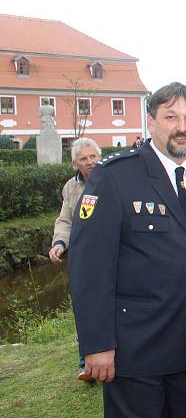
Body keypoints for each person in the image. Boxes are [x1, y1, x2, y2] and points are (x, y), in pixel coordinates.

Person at [67, 82, 186, 417]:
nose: (181, 127)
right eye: (171, 117)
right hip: (136, 349)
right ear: (151, 121)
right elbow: (90, 269)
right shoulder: (114, 177)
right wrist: (98, 344)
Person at [49, 137, 101, 381]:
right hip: (82, 259)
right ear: (74, 164)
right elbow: (65, 220)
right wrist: (59, 243)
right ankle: (86, 364)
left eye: (93, 157)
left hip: (111, 256)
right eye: (84, 159)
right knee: (83, 307)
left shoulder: (112, 180)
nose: (90, 162)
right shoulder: (71, 187)